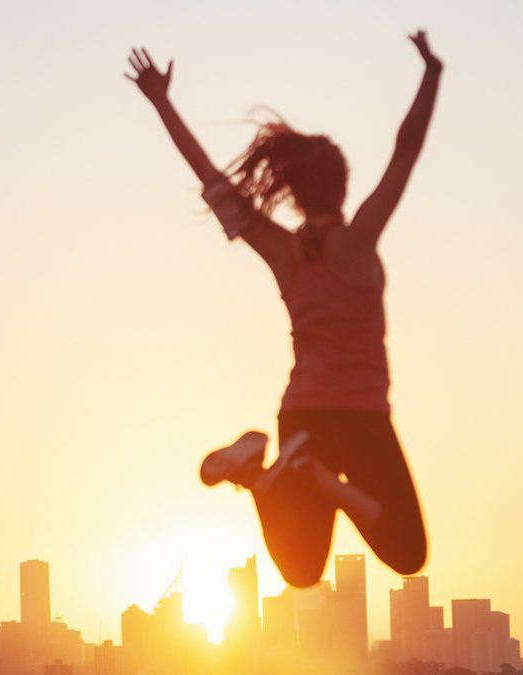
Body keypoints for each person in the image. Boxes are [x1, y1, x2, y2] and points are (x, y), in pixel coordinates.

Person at [125, 32, 443, 587]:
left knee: (300, 572)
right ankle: (322, 481)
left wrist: (161, 103)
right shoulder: (358, 241)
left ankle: (261, 477)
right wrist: (431, 72)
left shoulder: (283, 252)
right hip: (362, 417)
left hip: (302, 419)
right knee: (409, 555)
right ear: (343, 187)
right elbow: (406, 151)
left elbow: (213, 181)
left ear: (293, 193)